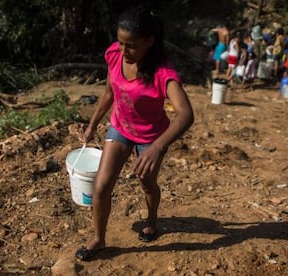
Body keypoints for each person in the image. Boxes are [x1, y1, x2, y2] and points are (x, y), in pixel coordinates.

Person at [74, 6, 194, 261]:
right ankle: (98, 238)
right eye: (120, 43)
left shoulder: (163, 72)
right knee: (102, 185)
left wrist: (156, 147)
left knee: (147, 184)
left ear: (149, 41)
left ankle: (152, 220)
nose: (123, 51)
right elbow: (108, 92)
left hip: (151, 137)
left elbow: (185, 114)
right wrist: (93, 124)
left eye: (131, 46)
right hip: (120, 127)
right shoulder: (115, 55)